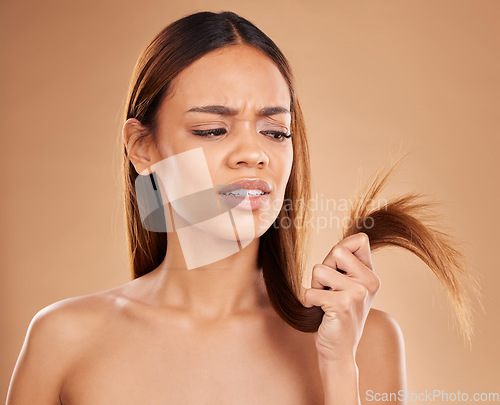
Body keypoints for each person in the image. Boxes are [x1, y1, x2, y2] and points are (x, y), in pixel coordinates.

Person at [6, 11, 477, 405]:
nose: (253, 154)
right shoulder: (64, 340)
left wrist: (337, 369)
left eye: (275, 132)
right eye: (213, 130)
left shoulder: (364, 342)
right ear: (141, 147)